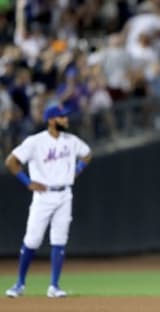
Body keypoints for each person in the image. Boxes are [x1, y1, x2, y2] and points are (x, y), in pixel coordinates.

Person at [4, 105, 92, 298]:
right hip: (43, 196)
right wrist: (27, 182)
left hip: (65, 194)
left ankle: (54, 286)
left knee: (60, 239)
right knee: (32, 239)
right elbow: (11, 161)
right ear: (51, 120)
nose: (66, 120)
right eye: (62, 117)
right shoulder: (35, 142)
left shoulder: (71, 140)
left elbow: (87, 154)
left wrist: (76, 171)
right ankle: (19, 284)